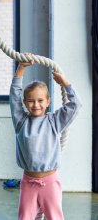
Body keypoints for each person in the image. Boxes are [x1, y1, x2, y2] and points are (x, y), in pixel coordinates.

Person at [9, 55, 82, 220]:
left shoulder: (54, 121)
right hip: (28, 183)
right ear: (25, 102)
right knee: (25, 217)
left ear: (48, 101)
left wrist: (65, 83)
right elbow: (14, 98)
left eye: (40, 100)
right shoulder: (21, 121)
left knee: (55, 217)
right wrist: (20, 71)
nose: (36, 105)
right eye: (31, 101)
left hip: (50, 183)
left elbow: (76, 104)